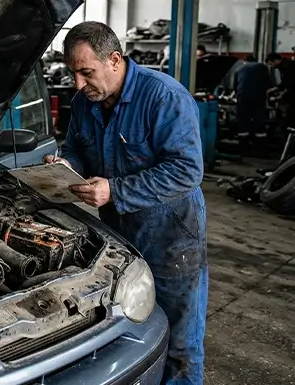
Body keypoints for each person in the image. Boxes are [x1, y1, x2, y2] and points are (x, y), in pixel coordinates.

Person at [43, 21, 208, 385]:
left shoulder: (164, 96)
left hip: (171, 237)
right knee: (126, 325)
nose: (78, 84)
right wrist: (67, 166)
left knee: (180, 340)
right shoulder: (85, 102)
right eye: (73, 73)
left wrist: (114, 191)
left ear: (114, 59)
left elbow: (187, 170)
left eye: (86, 72)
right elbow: (76, 148)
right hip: (116, 234)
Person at [233, 55, 273, 145]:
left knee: (243, 119)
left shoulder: (239, 69)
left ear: (245, 61)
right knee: (259, 119)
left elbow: (235, 87)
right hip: (259, 98)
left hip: (243, 97)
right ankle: (260, 143)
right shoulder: (263, 67)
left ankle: (243, 143)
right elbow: (268, 83)